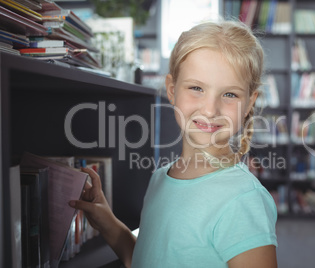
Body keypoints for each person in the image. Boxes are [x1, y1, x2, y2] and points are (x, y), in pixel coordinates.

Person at [69, 19, 278, 268]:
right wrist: (107, 222)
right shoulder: (160, 178)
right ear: (172, 89)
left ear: (250, 102)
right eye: (196, 88)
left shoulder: (243, 200)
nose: (210, 109)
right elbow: (147, 260)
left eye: (230, 94)